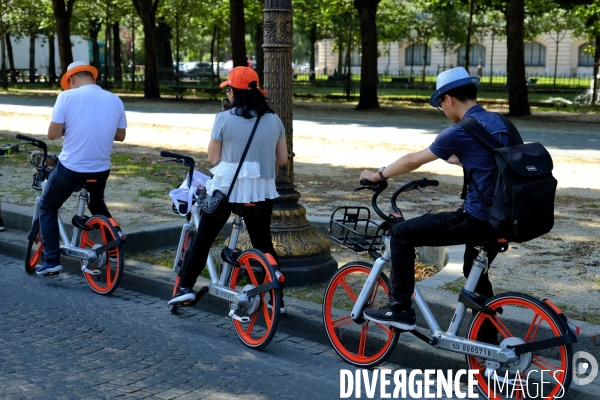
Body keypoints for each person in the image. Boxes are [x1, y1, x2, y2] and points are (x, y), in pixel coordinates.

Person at [360, 67, 509, 341]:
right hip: (505, 217)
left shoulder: (460, 130)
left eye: (440, 105)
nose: (443, 110)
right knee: (473, 273)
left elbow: (412, 161)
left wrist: (377, 174)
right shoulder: (499, 122)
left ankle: (399, 309)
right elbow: (498, 163)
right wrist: (465, 160)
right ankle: (488, 345)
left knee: (402, 234)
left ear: (449, 99)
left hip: (477, 218)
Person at [169, 66, 288, 311]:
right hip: (261, 190)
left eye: (229, 89)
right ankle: (277, 300)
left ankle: (185, 288)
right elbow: (283, 159)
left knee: (204, 238)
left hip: (227, 189)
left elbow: (213, 158)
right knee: (264, 244)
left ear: (234, 92)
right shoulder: (274, 119)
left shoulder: (223, 118)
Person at [36, 61, 127, 275]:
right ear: (93, 78)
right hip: (101, 169)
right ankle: (116, 240)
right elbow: (121, 136)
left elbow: (52, 134)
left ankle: (51, 260)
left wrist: (70, 127)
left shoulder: (66, 97)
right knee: (97, 204)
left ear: (72, 79)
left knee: (47, 207)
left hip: (72, 168)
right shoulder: (114, 99)